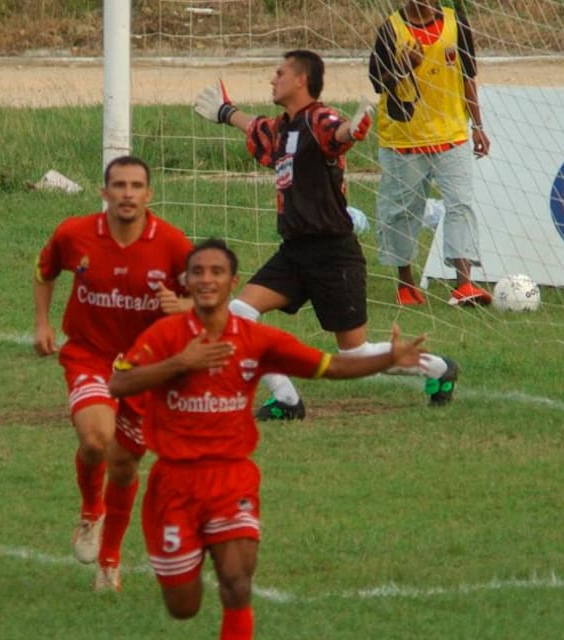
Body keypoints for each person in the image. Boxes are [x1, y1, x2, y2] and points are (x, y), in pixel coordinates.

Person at [108, 239, 426, 640]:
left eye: (218, 271)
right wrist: (181, 364)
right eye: (199, 272)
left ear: (233, 282)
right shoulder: (168, 335)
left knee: (237, 582)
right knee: (183, 606)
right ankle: (186, 572)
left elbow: (329, 365)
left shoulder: (256, 341)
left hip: (232, 477)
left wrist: (387, 359)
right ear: (187, 283)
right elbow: (120, 383)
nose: (208, 279)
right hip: (173, 485)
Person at [193, 49, 459, 422]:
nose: (273, 78)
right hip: (293, 253)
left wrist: (355, 129)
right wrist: (225, 112)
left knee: (354, 354)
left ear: (301, 80)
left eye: (279, 72)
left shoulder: (320, 118)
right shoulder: (281, 126)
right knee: (237, 314)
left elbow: (340, 133)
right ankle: (286, 401)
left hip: (334, 253)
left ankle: (438, 368)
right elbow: (256, 126)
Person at [34, 155, 194, 592]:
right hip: (90, 356)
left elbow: (211, 295)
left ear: (149, 195)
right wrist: (43, 323)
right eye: (119, 185)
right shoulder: (75, 233)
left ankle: (110, 558)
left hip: (148, 369)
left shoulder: (173, 244)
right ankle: (91, 513)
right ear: (104, 193)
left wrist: (184, 306)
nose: (127, 193)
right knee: (95, 438)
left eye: (136, 185)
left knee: (123, 466)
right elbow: (44, 271)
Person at [369, 0, 492, 307]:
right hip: (404, 138)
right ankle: (406, 283)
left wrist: (477, 125)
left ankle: (464, 284)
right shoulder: (390, 28)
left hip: (451, 133)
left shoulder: (455, 22)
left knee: (460, 204)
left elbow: (467, 77)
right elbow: (377, 83)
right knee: (402, 211)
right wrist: (403, 67)